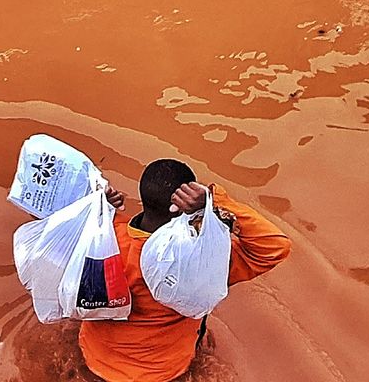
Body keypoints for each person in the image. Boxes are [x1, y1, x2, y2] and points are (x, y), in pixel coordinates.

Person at [80, 159, 292, 382]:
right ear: (182, 207)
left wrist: (97, 208)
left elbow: (51, 232)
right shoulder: (202, 262)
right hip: (164, 373)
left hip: (94, 360)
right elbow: (276, 246)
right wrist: (213, 201)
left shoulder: (100, 238)